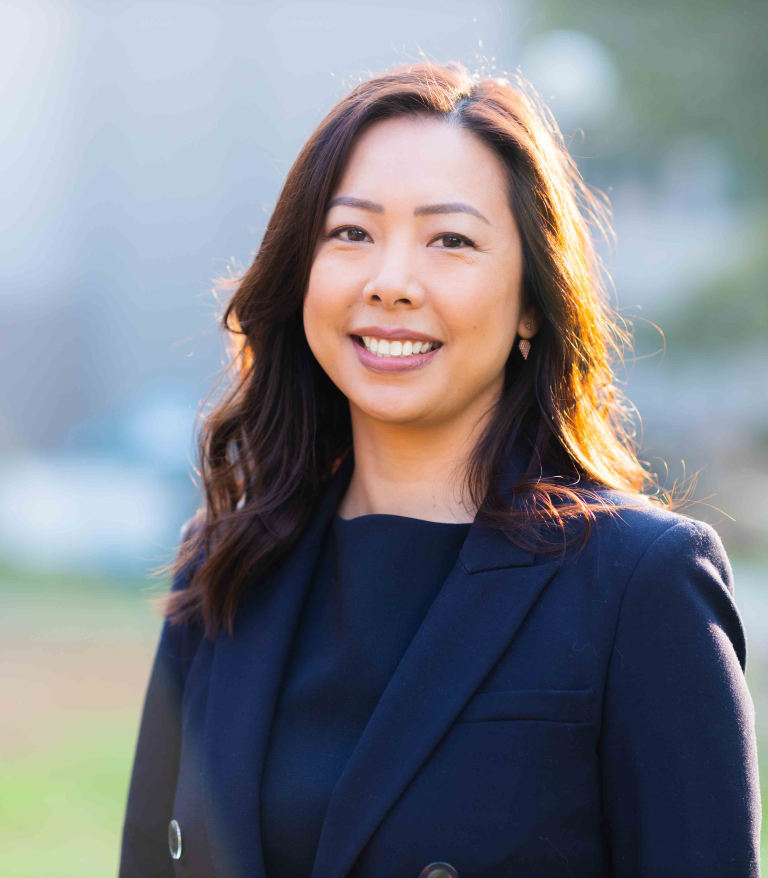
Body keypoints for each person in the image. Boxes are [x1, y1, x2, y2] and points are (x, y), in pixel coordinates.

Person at [118, 62, 761, 878]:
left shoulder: (639, 585)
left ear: (533, 302)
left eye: (450, 240)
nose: (391, 283)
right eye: (351, 233)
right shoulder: (227, 565)